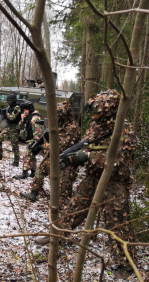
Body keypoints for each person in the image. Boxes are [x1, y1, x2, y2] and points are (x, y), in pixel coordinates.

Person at [56, 90, 138, 268]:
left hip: (115, 183)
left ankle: (125, 264)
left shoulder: (125, 130)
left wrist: (88, 156)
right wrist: (71, 159)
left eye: (98, 111)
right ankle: (56, 238)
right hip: (93, 177)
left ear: (110, 110)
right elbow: (87, 147)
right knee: (74, 207)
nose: (94, 115)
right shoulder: (96, 127)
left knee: (117, 222)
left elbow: (118, 162)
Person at [20, 101, 81, 201]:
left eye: (58, 115)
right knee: (40, 170)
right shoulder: (60, 125)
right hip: (57, 157)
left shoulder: (72, 128)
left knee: (64, 186)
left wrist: (42, 146)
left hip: (69, 160)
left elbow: (61, 146)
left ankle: (63, 202)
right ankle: (33, 193)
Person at [13, 101, 43, 179]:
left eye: (26, 110)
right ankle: (33, 173)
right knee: (32, 156)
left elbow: (38, 132)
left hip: (34, 140)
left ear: (30, 109)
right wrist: (22, 120)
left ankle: (24, 173)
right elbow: (19, 128)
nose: (25, 111)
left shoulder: (34, 118)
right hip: (29, 140)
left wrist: (34, 142)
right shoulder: (28, 117)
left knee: (26, 155)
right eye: (24, 110)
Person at [0, 93, 22, 166]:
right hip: (9, 128)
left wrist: (6, 113)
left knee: (15, 146)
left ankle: (16, 161)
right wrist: (4, 113)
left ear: (13, 100)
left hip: (14, 129)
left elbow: (12, 118)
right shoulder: (10, 107)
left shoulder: (17, 108)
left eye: (9, 100)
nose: (8, 102)